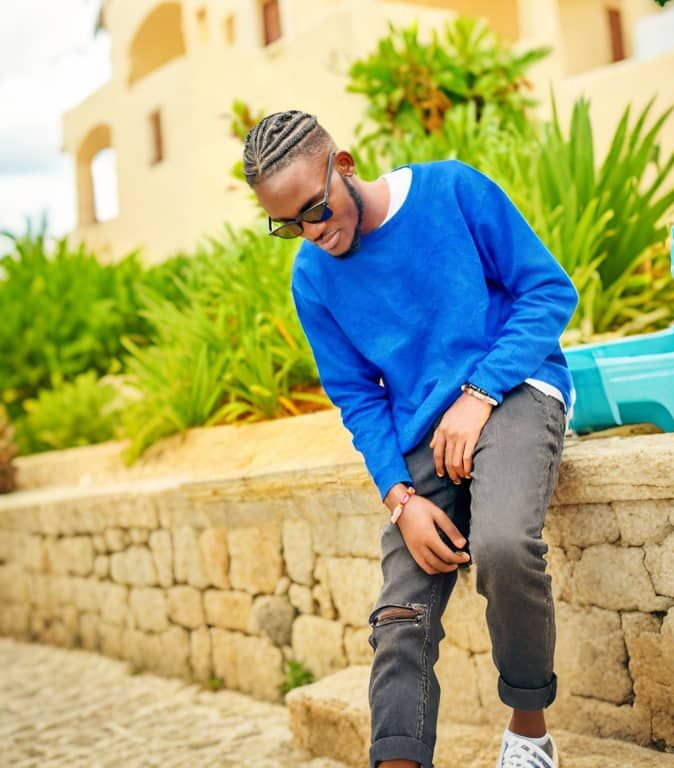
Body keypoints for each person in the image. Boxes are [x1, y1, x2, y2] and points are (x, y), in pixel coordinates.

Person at [242, 109, 578, 768]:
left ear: (343, 165)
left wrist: (479, 393)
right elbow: (357, 397)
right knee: (400, 613)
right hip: (421, 434)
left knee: (502, 546)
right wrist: (400, 498)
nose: (313, 232)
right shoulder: (312, 278)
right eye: (289, 225)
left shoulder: (452, 190)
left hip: (515, 387)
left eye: (315, 209)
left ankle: (529, 732)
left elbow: (547, 292)